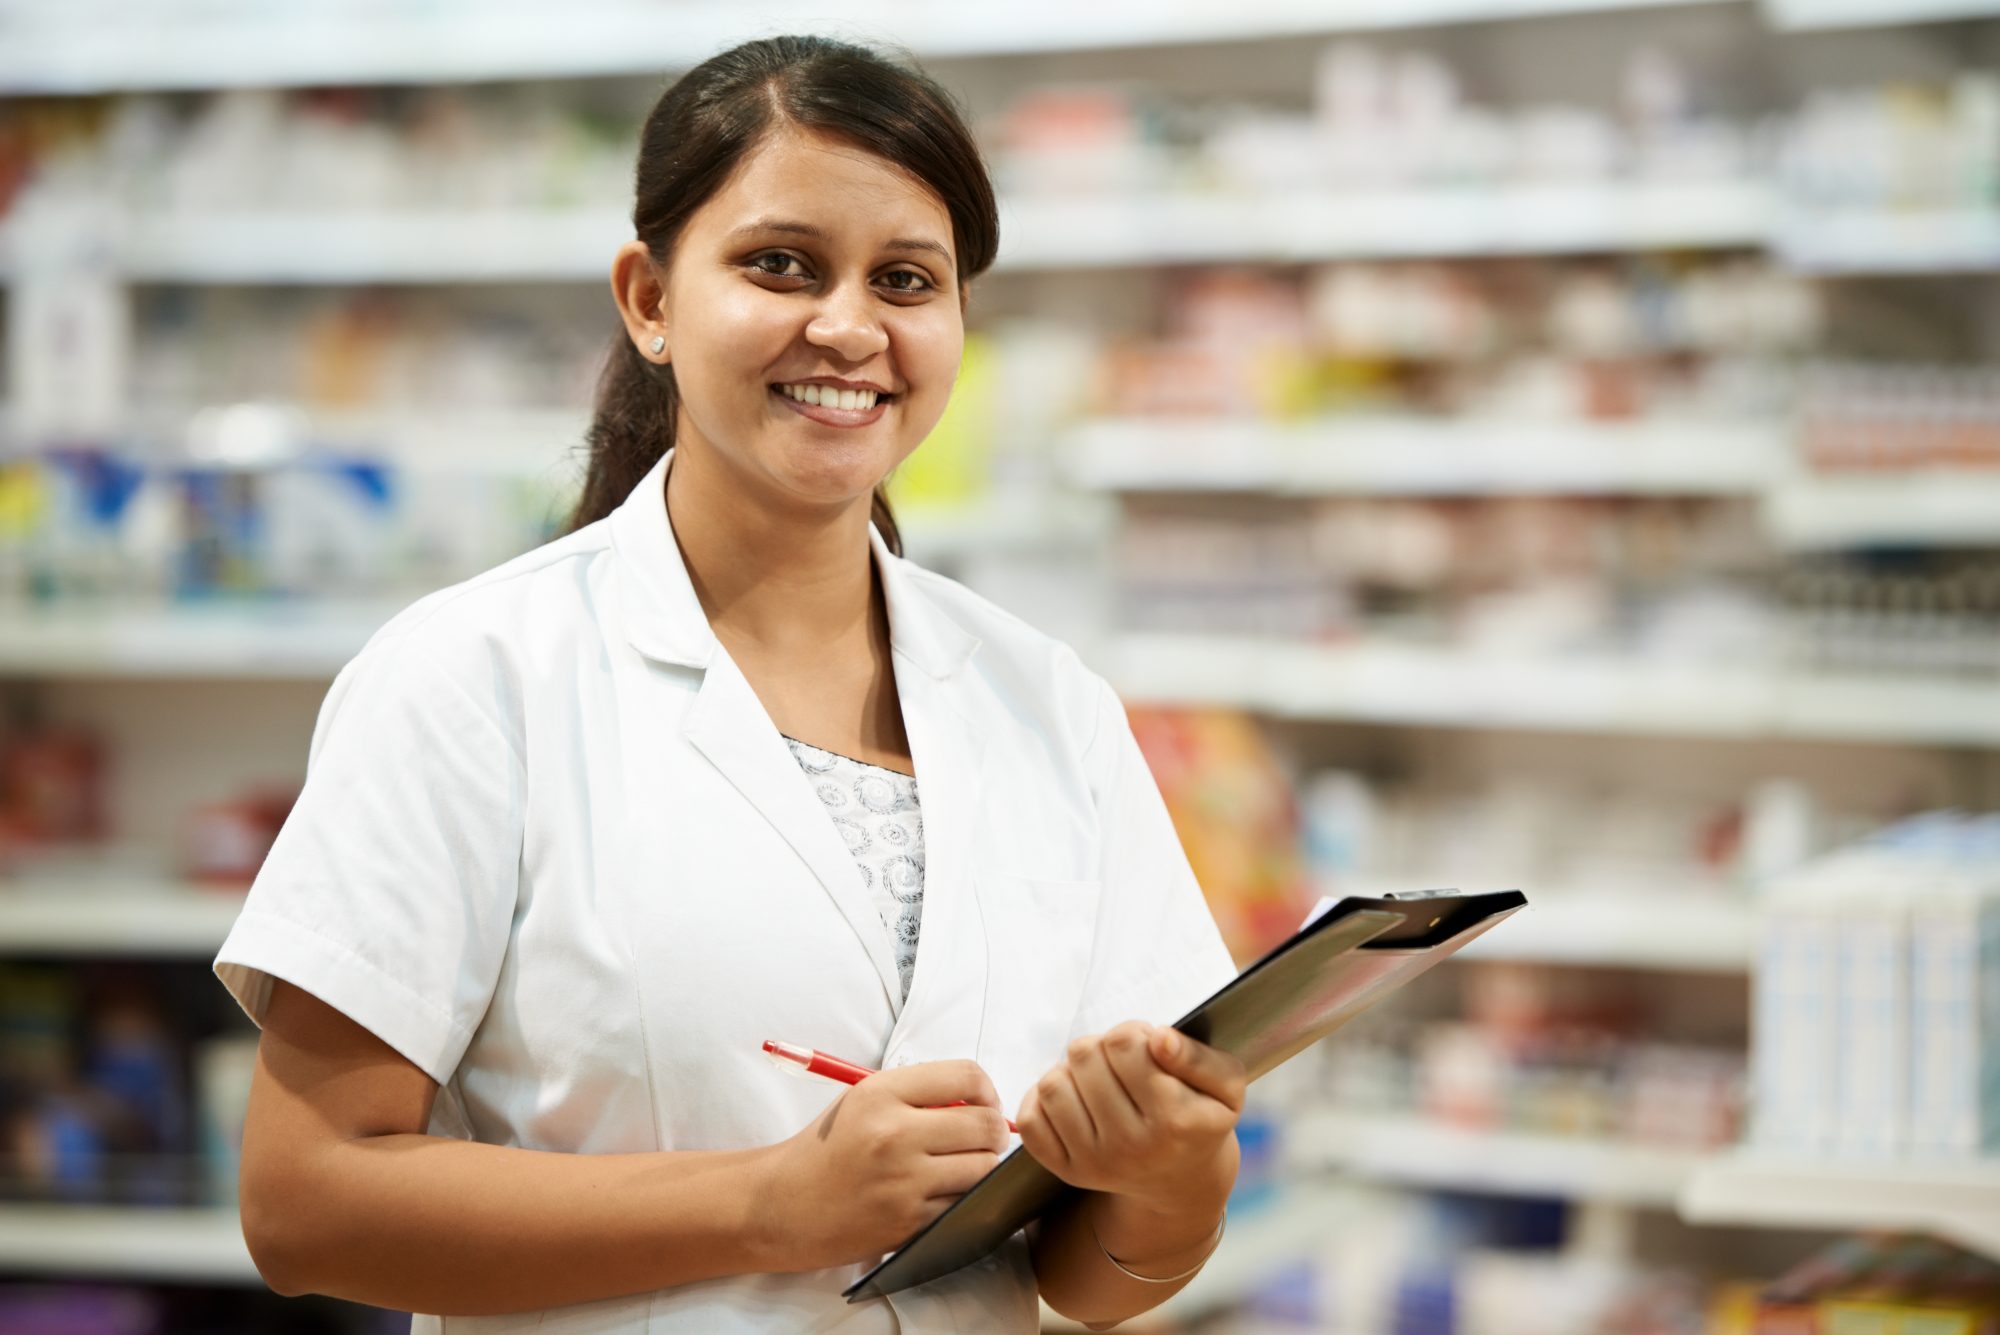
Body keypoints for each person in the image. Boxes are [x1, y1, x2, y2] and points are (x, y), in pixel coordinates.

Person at [215, 34, 1244, 1334]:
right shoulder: (475, 677)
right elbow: (304, 1205)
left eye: (908, 280)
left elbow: (1084, 1282)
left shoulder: (1052, 708)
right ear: (649, 297)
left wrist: (1177, 1180)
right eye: (781, 264)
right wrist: (769, 1203)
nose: (849, 326)